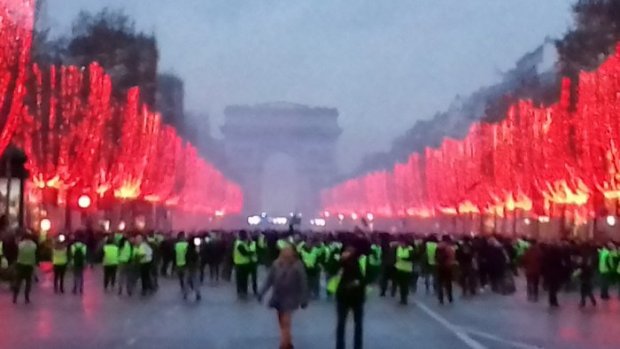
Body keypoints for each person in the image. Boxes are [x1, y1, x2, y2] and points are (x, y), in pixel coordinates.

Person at [258, 246, 308, 349]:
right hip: (278, 296)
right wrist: (261, 293)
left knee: (286, 322)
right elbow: (269, 280)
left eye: (288, 253)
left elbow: (303, 283)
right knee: (281, 321)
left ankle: (283, 345)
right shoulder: (276, 264)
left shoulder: (298, 265)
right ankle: (288, 342)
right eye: (284, 252)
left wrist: (304, 298)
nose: (286, 255)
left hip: (291, 297)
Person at [336, 245, 366, 349]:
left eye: (350, 251)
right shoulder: (341, 262)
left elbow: (367, 275)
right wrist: (340, 260)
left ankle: (357, 346)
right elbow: (331, 270)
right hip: (343, 297)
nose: (348, 252)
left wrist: (358, 282)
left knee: (357, 324)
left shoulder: (361, 261)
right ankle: (340, 346)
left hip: (356, 297)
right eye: (347, 251)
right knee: (341, 324)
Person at [12, 233, 37, 304]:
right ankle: (26, 298)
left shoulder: (20, 244)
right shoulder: (34, 245)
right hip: (29, 266)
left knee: (18, 282)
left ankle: (15, 297)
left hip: (20, 265)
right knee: (28, 283)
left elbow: (16, 249)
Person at [436, 235, 456, 305]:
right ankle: (450, 297)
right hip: (448, 267)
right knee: (448, 283)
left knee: (440, 283)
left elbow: (436, 257)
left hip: (440, 267)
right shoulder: (449, 248)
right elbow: (452, 257)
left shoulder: (438, 246)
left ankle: (440, 298)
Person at [394, 238, 414, 305]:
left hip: (407, 269)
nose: (401, 244)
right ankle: (402, 298)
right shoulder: (398, 248)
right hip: (399, 268)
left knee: (405, 285)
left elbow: (411, 258)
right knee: (401, 285)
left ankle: (404, 298)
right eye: (400, 243)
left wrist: (402, 259)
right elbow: (396, 257)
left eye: (402, 243)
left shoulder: (410, 249)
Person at [233, 231, 252, 299]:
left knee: (244, 279)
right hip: (240, 264)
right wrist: (251, 253)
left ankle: (243, 290)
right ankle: (241, 291)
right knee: (241, 279)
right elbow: (244, 253)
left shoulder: (242, 243)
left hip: (243, 263)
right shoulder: (239, 244)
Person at [185, 237, 202, 301]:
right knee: (195, 281)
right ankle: (197, 294)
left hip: (189, 267)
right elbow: (197, 257)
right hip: (194, 267)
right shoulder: (195, 250)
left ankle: (185, 293)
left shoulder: (188, 249)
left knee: (187, 281)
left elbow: (186, 257)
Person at [174, 232, 190, 297]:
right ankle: (187, 288)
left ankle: (182, 286)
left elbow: (174, 254)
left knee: (180, 277)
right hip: (186, 263)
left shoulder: (176, 245)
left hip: (178, 263)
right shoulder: (187, 245)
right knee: (186, 276)